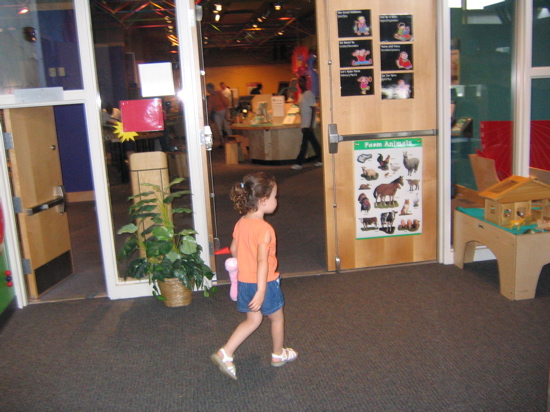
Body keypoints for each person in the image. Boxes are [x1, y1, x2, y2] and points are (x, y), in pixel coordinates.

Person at [211, 172, 298, 380]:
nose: (277, 201)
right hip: (264, 283)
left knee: (253, 319)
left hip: (244, 281)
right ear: (263, 200)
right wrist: (261, 291)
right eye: (275, 196)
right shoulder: (264, 229)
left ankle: (226, 352)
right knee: (276, 318)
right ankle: (278, 355)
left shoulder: (241, 222)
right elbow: (262, 262)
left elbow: (234, 249)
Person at [291, 76, 322, 170]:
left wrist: (311, 124)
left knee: (304, 144)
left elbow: (313, 109)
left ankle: (299, 163)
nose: (301, 84)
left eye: (303, 82)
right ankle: (322, 159)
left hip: (309, 123)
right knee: (314, 143)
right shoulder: (301, 95)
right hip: (304, 123)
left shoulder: (309, 94)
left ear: (306, 83)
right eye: (300, 82)